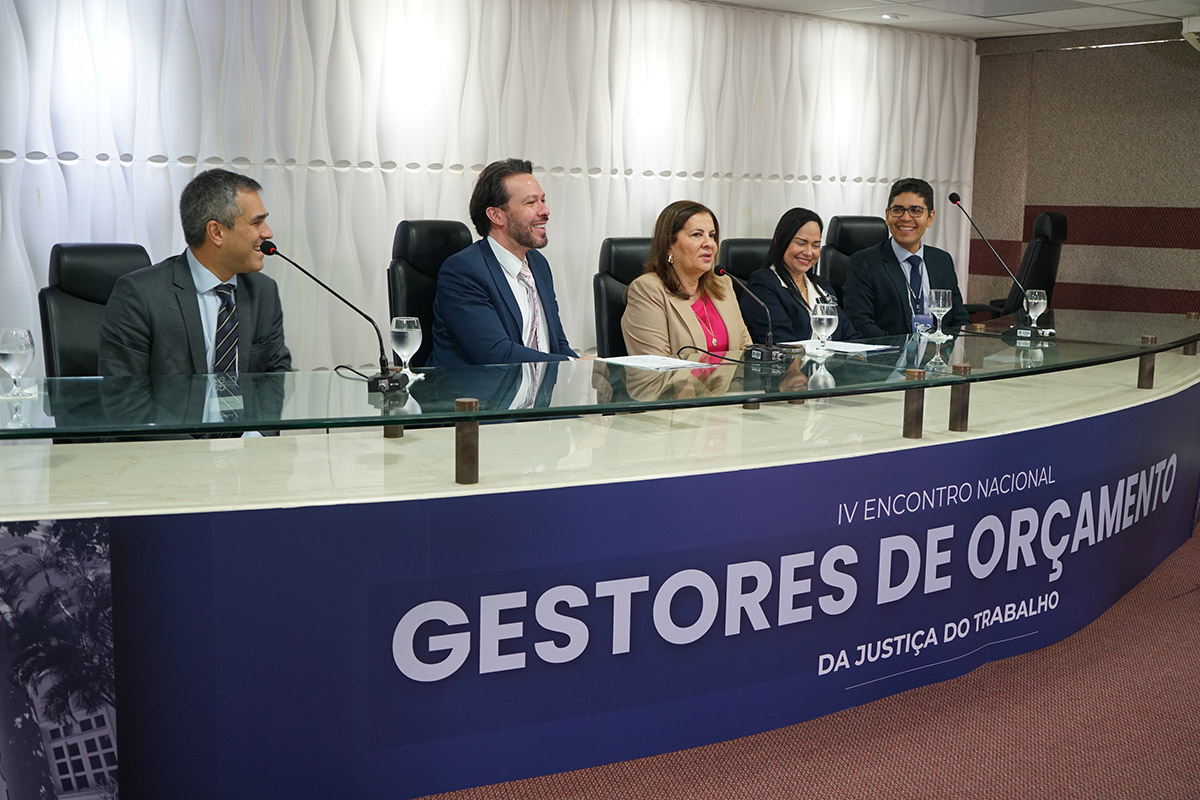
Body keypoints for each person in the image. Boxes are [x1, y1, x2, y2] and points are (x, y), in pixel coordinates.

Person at [99, 168, 292, 376]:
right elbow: (123, 389)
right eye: (256, 222)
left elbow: (277, 375)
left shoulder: (263, 291)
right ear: (216, 232)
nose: (268, 232)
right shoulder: (140, 295)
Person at [429, 158, 577, 366]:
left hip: (539, 387)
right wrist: (572, 364)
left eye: (543, 200)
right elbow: (498, 356)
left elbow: (558, 343)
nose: (545, 211)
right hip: (482, 387)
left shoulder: (538, 264)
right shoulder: (463, 272)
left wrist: (585, 370)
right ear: (496, 215)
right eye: (531, 202)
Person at [621, 200, 753, 359]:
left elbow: (746, 351)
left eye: (712, 235)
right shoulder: (648, 290)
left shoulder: (722, 284)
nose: (709, 244)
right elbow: (655, 365)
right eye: (697, 235)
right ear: (668, 245)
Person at [842, 177, 970, 339]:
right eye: (897, 210)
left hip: (937, 354)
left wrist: (943, 349)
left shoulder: (942, 260)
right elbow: (860, 324)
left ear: (930, 217)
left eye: (916, 210)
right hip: (888, 354)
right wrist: (903, 351)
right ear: (887, 215)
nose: (905, 218)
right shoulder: (864, 263)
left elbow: (959, 319)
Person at [741, 207, 859, 344]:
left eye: (816, 245)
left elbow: (850, 335)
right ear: (779, 240)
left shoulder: (823, 288)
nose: (808, 252)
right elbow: (783, 345)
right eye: (801, 243)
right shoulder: (763, 286)